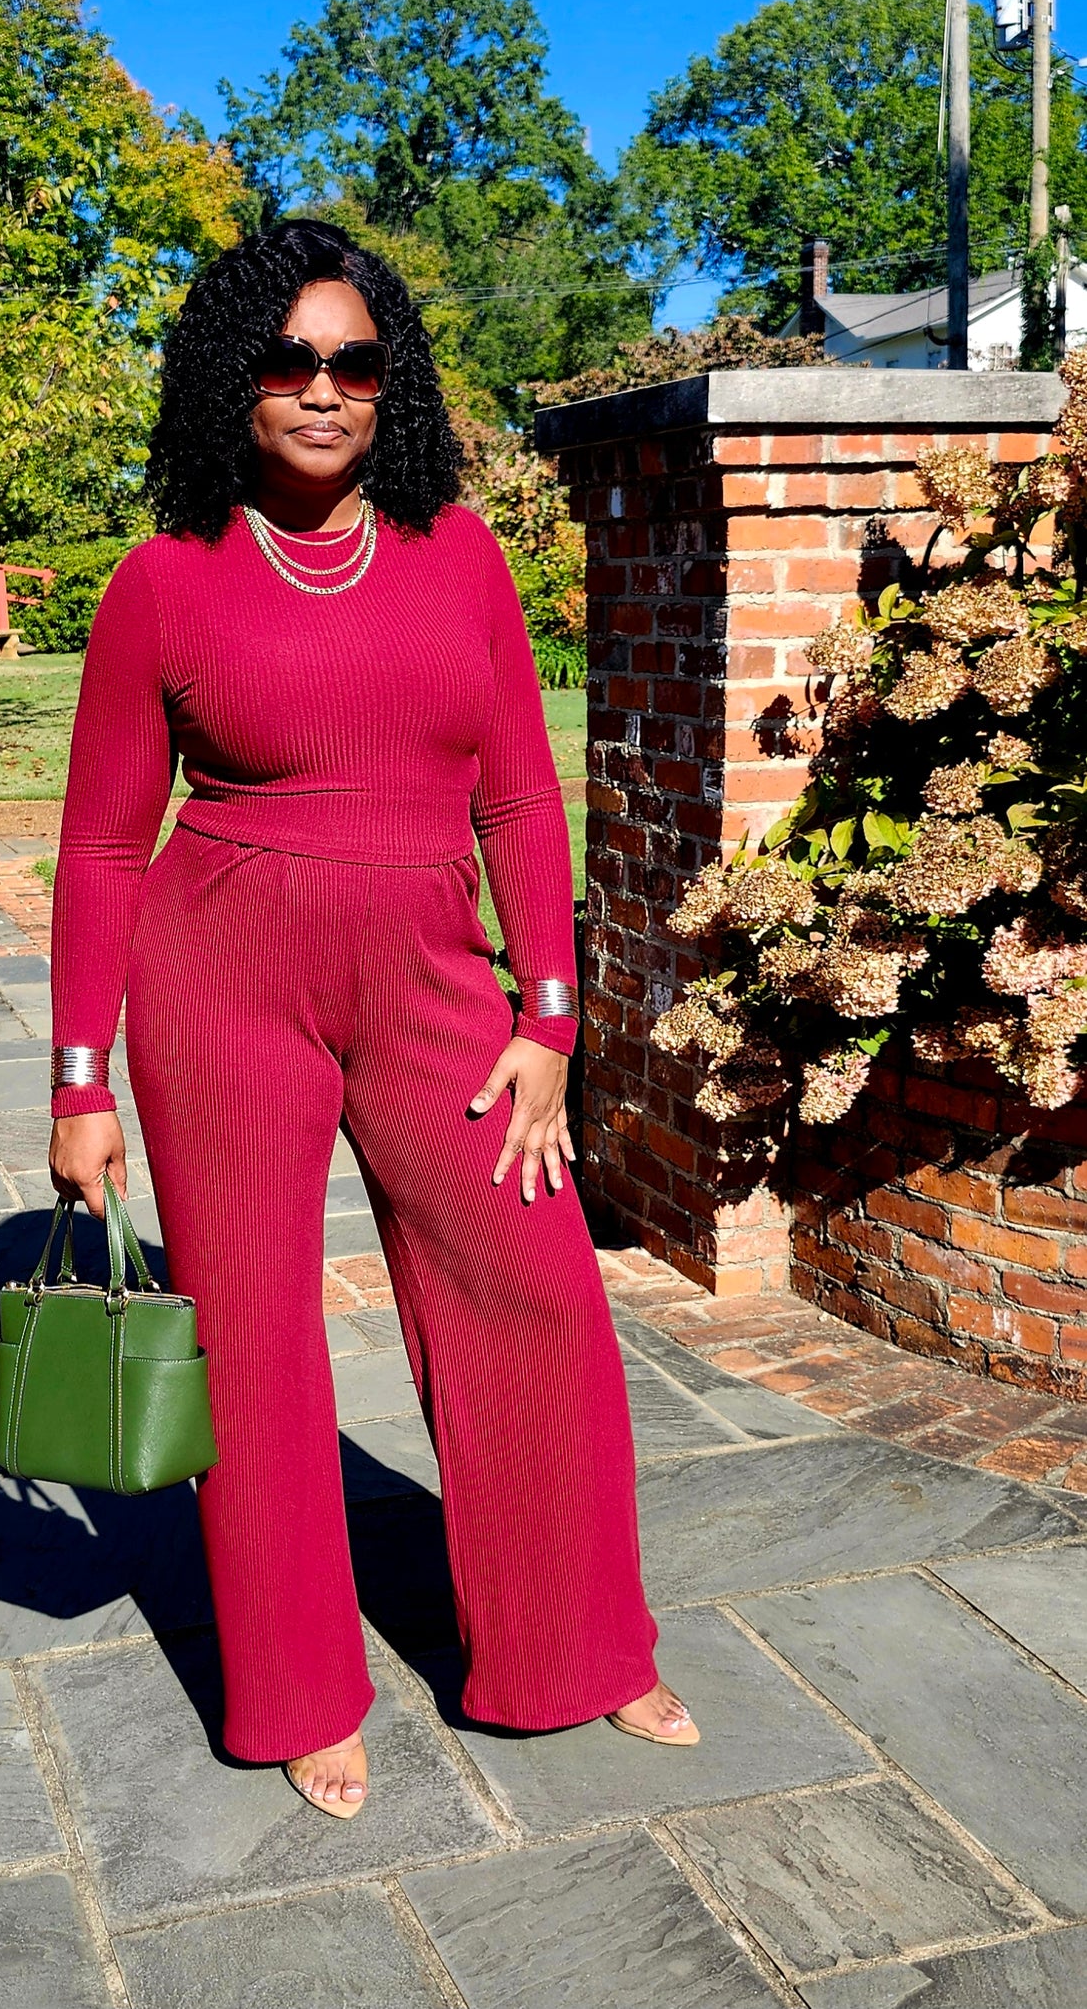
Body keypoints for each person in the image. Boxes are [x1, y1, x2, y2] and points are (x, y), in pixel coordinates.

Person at [48, 219, 697, 1821]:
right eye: (286, 361)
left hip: (433, 988)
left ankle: (579, 1649)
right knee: (253, 1346)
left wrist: (548, 1017)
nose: (322, 389)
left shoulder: (457, 553)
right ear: (229, 382)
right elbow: (101, 841)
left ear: (385, 381)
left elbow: (523, 800)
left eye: (352, 361)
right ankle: (295, 1690)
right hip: (216, 993)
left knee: (531, 1294)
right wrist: (78, 1079)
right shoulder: (160, 583)